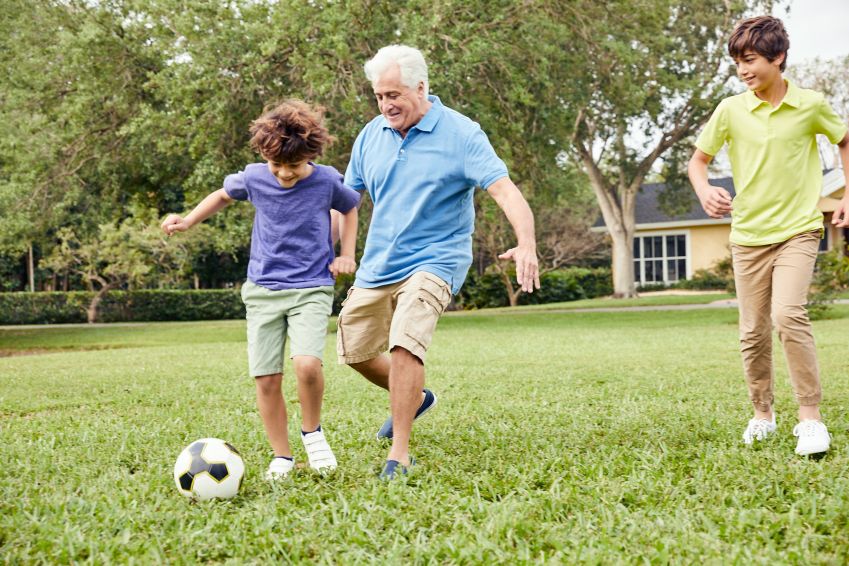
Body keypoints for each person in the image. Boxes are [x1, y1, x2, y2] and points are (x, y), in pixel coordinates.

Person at [338, 45, 540, 479]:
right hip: (379, 262)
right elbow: (346, 200)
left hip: (436, 258)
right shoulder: (370, 135)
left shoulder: (462, 133)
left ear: (421, 86)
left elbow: (504, 191)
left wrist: (526, 243)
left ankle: (400, 453)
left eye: (394, 94)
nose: (387, 104)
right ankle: (415, 396)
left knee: (405, 340)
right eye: (379, 96)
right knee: (354, 350)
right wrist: (327, 246)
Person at [161, 100, 361, 478]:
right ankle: (282, 456)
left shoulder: (326, 179)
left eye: (295, 166)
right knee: (267, 378)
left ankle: (312, 433)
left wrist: (346, 254)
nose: (285, 174)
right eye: (277, 166)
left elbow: (349, 208)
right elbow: (222, 195)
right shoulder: (253, 177)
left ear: (312, 155)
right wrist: (188, 221)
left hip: (311, 285)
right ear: (263, 155)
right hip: (263, 289)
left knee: (306, 364)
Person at [688, 16, 849, 456]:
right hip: (748, 235)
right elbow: (698, 161)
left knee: (788, 315)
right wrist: (704, 190)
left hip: (798, 228)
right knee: (752, 331)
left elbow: (845, 140)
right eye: (738, 62)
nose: (743, 70)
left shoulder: (811, 104)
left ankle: (810, 419)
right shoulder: (730, 110)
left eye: (751, 59)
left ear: (778, 58)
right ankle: (763, 414)